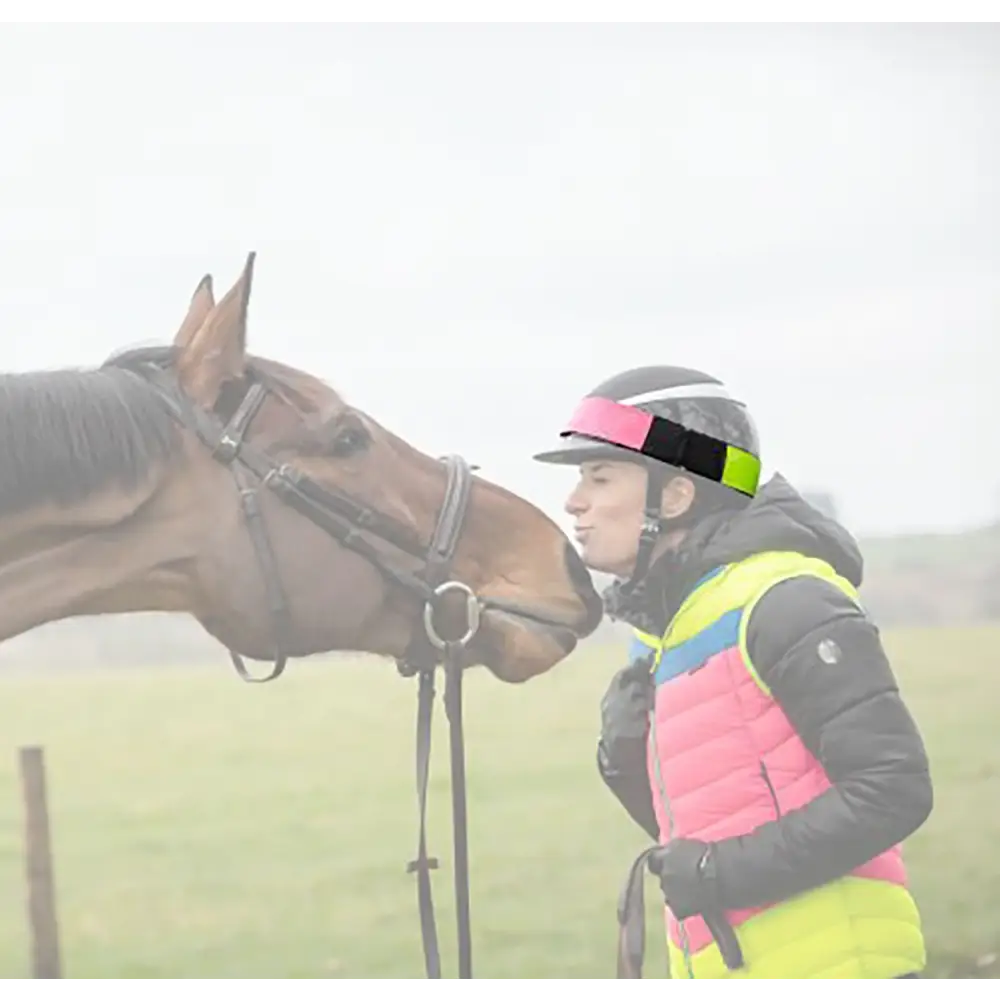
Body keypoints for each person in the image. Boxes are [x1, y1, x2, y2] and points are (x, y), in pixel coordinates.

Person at [532, 365, 933, 983]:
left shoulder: (786, 599)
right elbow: (714, 825)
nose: (574, 500)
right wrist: (625, 762)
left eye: (599, 475)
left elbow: (892, 790)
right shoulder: (667, 631)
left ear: (675, 496)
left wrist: (719, 874)